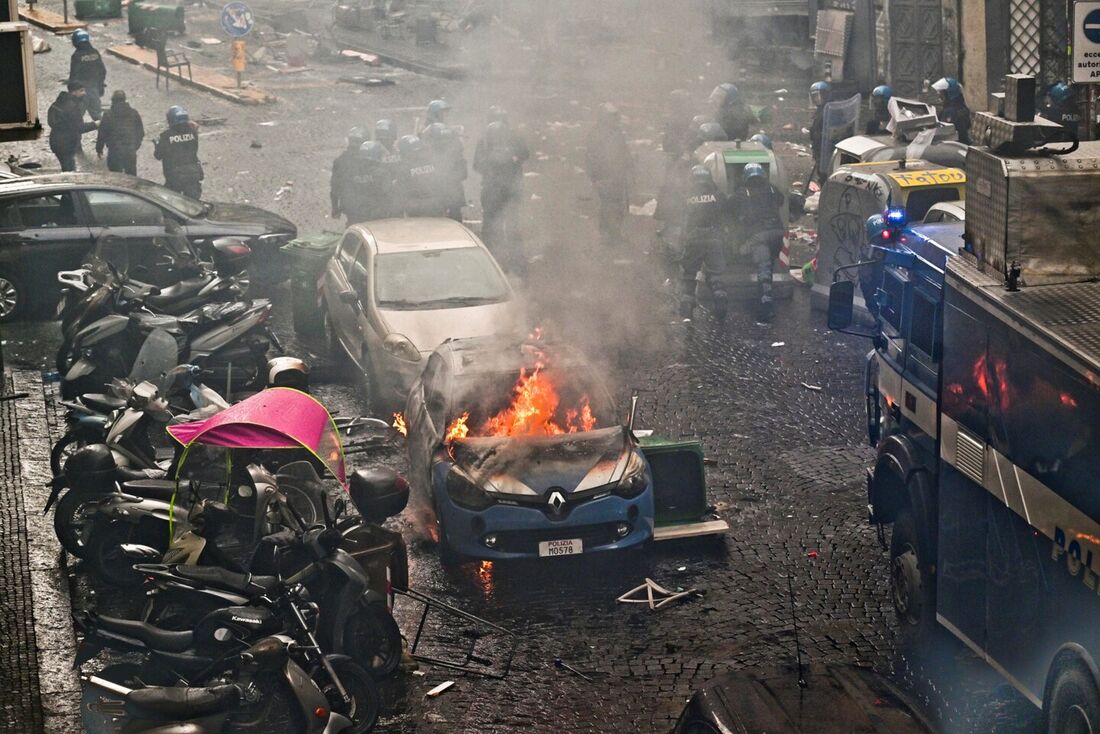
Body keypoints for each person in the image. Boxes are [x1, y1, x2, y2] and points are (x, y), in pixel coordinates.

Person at [473, 118, 530, 275]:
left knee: (507, 226)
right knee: (495, 226)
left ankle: (513, 264)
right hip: (497, 190)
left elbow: (525, 154)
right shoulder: (485, 142)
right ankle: (499, 262)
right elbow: (477, 165)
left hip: (504, 190)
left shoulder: (512, 140)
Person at [732, 162, 786, 321]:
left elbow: (728, 206)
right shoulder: (771, 188)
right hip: (777, 233)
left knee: (749, 254)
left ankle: (766, 298)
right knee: (767, 258)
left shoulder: (743, 192)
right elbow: (781, 200)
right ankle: (765, 291)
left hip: (759, 235)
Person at [679, 165, 732, 321]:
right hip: (714, 236)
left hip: (694, 237)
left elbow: (682, 218)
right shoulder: (718, 195)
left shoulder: (687, 197)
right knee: (715, 273)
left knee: (689, 273)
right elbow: (727, 210)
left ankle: (687, 308)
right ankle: (720, 299)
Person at [585, 103, 632, 246]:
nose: (614, 119)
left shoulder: (616, 132)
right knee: (609, 205)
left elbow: (623, 153)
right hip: (605, 176)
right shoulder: (597, 134)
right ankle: (610, 235)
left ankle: (612, 233)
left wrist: (627, 167)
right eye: (611, 116)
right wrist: (596, 177)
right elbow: (592, 157)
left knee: (615, 205)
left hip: (617, 175)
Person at [153, 106, 203, 200]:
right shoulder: (193, 133)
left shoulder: (166, 136)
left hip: (174, 176)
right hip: (193, 173)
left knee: (171, 203)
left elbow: (158, 155)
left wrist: (156, 144)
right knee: (194, 204)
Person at [48, 81, 97, 172]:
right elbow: (79, 127)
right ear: (74, 92)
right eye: (81, 91)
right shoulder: (72, 108)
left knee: (68, 166)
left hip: (56, 141)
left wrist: (62, 127)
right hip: (66, 144)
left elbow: (50, 122)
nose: (84, 93)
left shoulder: (56, 104)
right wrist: (95, 124)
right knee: (69, 170)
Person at [422, 123, 467, 220]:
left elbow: (463, 173)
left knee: (453, 221)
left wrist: (446, 179)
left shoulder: (455, 154)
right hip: (438, 197)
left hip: (451, 195)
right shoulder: (426, 155)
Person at [343, 141, 394, 223]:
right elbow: (388, 195)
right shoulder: (382, 173)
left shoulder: (349, 172)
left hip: (355, 219)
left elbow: (345, 197)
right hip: (377, 220)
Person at [95, 90, 144, 175]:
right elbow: (140, 132)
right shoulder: (134, 113)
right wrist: (135, 146)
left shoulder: (108, 115)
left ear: (113, 100)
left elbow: (102, 134)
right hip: (130, 151)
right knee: (132, 177)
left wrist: (99, 149)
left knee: (115, 178)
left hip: (114, 151)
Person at [331, 126, 368, 221]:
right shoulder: (372, 159)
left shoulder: (340, 160)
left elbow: (334, 187)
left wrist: (335, 208)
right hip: (366, 207)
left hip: (352, 207)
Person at [69, 30, 107, 122]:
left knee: (76, 117)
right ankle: (107, 135)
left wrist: (71, 90)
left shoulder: (77, 55)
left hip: (81, 92)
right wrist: (100, 86)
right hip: (94, 89)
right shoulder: (95, 52)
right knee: (98, 117)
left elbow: (74, 75)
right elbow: (102, 71)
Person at [932, 77, 970, 145]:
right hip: (964, 142)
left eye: (941, 94)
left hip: (954, 145)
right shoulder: (962, 106)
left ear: (949, 94)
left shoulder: (950, 111)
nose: (939, 96)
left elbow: (942, 132)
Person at [808, 81, 831, 172]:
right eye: (815, 96)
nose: (818, 99)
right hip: (818, 148)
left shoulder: (831, 110)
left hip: (827, 147)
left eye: (821, 95)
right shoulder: (819, 111)